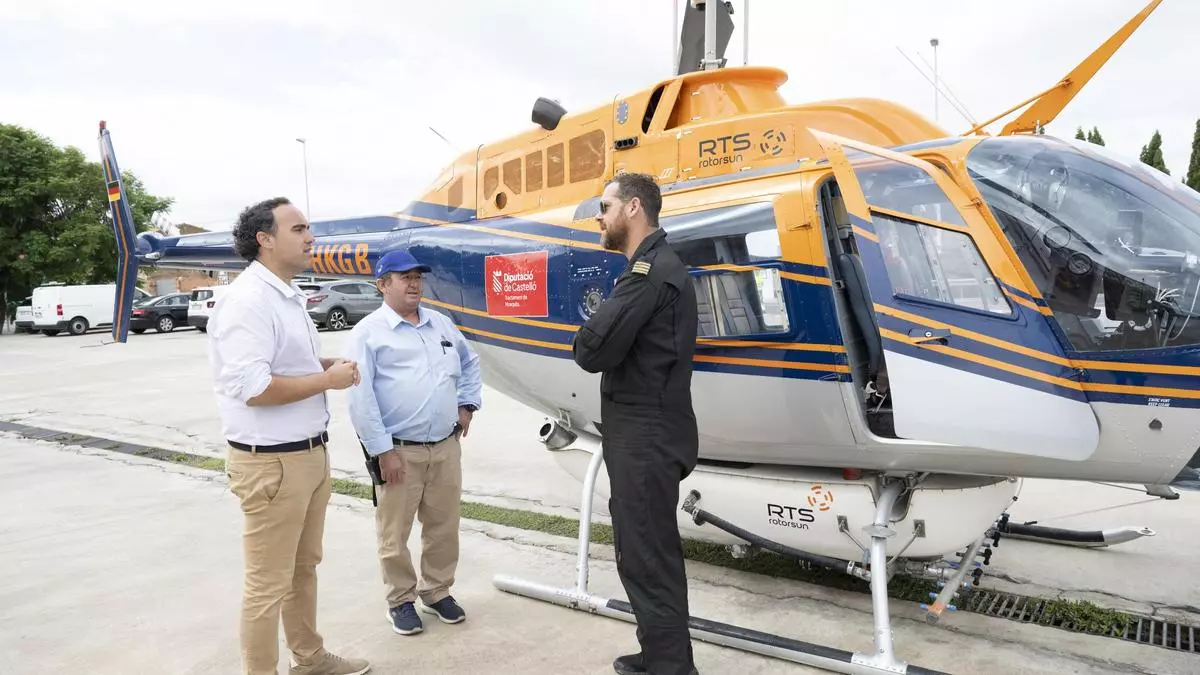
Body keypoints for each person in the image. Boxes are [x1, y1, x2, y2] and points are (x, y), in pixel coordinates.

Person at [209, 196, 371, 675]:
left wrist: (322, 365)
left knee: (302, 568)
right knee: (267, 584)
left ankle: (310, 657)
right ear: (265, 239)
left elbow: (280, 363)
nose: (310, 237)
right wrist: (326, 381)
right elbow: (254, 388)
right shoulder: (248, 300)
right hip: (271, 464)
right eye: (298, 229)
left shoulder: (286, 294)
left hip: (307, 456)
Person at [572, 172, 700, 675]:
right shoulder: (658, 266)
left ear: (632, 208)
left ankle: (671, 667)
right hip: (650, 432)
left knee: (647, 554)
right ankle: (663, 655)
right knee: (645, 550)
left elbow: (591, 350)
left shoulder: (647, 273)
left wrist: (590, 327)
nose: (599, 217)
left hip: (645, 438)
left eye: (605, 207)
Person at [343, 249, 483, 637]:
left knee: (443, 525)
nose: (414, 284)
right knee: (394, 533)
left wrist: (467, 404)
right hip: (399, 451)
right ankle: (400, 600)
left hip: (445, 446)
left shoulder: (440, 324)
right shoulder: (368, 333)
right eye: (405, 277)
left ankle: (436, 591)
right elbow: (360, 398)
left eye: (418, 277)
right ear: (382, 285)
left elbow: (469, 363)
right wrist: (382, 450)